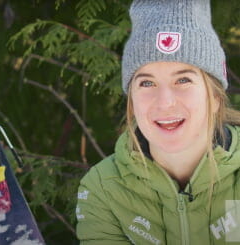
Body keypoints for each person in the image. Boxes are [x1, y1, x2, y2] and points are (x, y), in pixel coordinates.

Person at [76, 0, 240, 244]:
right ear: (132, 99)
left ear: (215, 97)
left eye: (183, 80)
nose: (165, 102)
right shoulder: (104, 189)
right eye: (147, 83)